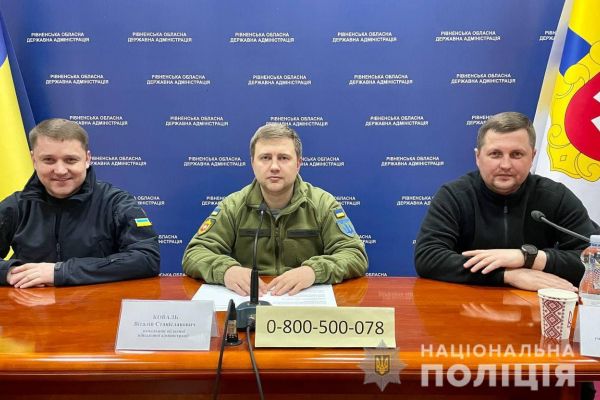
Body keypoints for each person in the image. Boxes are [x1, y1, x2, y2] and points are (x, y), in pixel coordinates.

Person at [414, 112, 599, 292]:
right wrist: (507, 275)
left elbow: (595, 259)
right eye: (495, 154)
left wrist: (529, 258)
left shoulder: (555, 196)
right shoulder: (455, 195)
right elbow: (428, 257)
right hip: (468, 301)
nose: (505, 165)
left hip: (535, 305)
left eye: (516, 154)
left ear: (532, 157)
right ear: (478, 157)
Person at [183, 124, 368, 296]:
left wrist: (313, 271)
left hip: (304, 303)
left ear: (298, 163)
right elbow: (195, 253)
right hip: (251, 301)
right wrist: (226, 271)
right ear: (252, 163)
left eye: (283, 158)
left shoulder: (322, 204)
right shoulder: (233, 206)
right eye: (265, 158)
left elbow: (354, 254)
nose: (274, 167)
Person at [0, 118, 160, 288]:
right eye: (48, 160)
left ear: (87, 159)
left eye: (70, 160)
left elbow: (147, 258)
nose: (60, 170)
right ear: (34, 160)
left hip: (99, 303)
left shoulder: (116, 203)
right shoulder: (16, 205)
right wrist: (9, 272)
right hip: (31, 304)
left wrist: (61, 272)